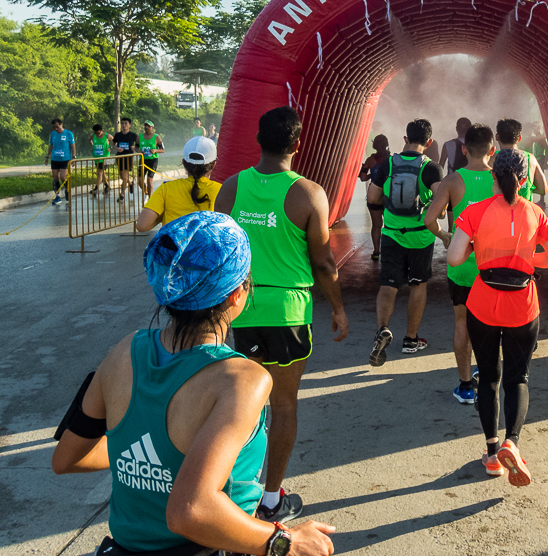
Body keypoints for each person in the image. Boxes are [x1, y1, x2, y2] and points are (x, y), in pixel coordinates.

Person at [51, 212, 336, 556]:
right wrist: (283, 542)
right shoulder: (243, 380)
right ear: (237, 294)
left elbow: (66, 458)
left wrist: (147, 456)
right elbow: (190, 511)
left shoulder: (123, 351)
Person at [216, 106, 350, 523]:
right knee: (284, 406)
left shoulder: (231, 188)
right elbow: (325, 263)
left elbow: (218, 252)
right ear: (297, 144)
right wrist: (339, 309)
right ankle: (271, 499)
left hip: (240, 309)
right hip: (289, 311)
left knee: (241, 406)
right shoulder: (308, 193)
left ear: (257, 140)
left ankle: (234, 490)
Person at [447, 149, 548, 484]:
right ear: (525, 179)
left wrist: (478, 251)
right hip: (523, 306)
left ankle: (491, 453)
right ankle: (512, 442)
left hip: (483, 303)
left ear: (493, 177)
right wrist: (525, 261)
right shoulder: (535, 212)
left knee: (488, 377)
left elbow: (455, 258)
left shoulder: (474, 211)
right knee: (518, 379)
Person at [424, 123, 496, 404]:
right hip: (494, 264)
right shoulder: (500, 180)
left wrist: (445, 236)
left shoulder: (453, 182)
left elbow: (431, 218)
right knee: (492, 323)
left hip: (463, 265)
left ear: (464, 149)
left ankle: (465, 386)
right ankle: (488, 375)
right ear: (492, 150)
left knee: (461, 323)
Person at [367, 118, 443, 366]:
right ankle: (411, 340)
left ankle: (382, 329)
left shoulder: (386, 165)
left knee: (388, 285)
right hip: (421, 236)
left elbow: (373, 196)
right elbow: (442, 205)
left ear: (405, 139)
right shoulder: (431, 168)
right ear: (429, 142)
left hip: (391, 234)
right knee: (418, 285)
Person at [137, 136, 221, 232]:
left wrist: (162, 215)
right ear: (214, 164)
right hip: (206, 247)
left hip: (173, 246)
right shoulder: (221, 190)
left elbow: (142, 225)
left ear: (183, 162)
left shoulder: (166, 188)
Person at [495, 119, 548, 202]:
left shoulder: (492, 158)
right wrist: (526, 187)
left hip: (498, 210)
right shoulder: (530, 158)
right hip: (524, 211)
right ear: (519, 138)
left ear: (497, 137)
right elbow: (543, 189)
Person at [359, 134, 390, 260]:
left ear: (374, 145)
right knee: (389, 225)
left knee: (376, 225)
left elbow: (362, 177)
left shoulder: (370, 160)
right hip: (387, 195)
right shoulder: (392, 159)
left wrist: (373, 175)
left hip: (374, 195)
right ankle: (389, 251)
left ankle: (376, 251)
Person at [45, 118, 75, 206]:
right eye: (54, 127)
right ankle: (57, 196)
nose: (56, 129)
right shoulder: (53, 134)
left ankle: (67, 190)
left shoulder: (68, 133)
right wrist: (47, 156)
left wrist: (73, 157)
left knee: (63, 177)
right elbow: (51, 145)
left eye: (57, 127)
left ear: (61, 125)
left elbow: (73, 146)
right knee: (55, 178)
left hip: (65, 159)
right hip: (55, 159)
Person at [112, 117, 139, 202]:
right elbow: (113, 145)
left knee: (125, 176)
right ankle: (130, 183)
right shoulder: (117, 135)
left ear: (129, 125)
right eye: (122, 123)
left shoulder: (133, 135)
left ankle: (122, 194)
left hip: (128, 157)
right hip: (119, 157)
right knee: (121, 176)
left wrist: (135, 147)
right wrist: (117, 148)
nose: (124, 125)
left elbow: (139, 144)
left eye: (126, 123)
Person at [139, 120, 165, 198]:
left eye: (148, 126)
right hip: (143, 160)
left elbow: (162, 150)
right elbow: (136, 147)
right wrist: (139, 151)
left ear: (152, 127)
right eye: (145, 126)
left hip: (153, 160)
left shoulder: (157, 137)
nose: (146, 127)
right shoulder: (140, 137)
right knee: (140, 181)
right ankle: (146, 190)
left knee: (149, 181)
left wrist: (155, 150)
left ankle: (151, 199)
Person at [89, 124, 113, 196]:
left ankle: (95, 189)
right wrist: (93, 145)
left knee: (99, 172)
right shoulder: (93, 136)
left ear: (102, 131)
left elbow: (115, 141)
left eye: (98, 133)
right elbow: (90, 140)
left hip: (105, 158)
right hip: (96, 157)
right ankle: (107, 186)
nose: (97, 135)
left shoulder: (107, 136)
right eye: (95, 133)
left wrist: (110, 147)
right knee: (102, 173)